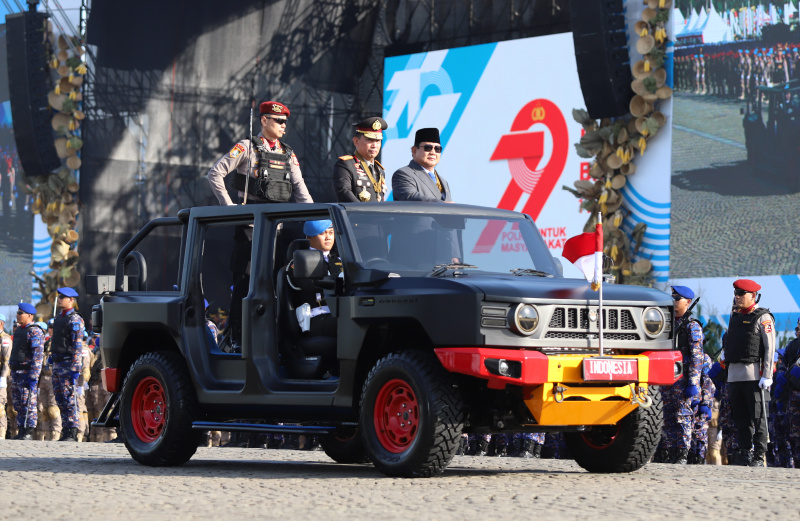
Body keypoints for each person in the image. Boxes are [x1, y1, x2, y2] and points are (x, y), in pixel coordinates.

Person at [207, 100, 313, 206]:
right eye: (279, 121)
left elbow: (299, 185)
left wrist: (313, 214)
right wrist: (227, 205)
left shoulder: (287, 153)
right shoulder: (247, 147)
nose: (283, 125)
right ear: (264, 121)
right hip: (250, 219)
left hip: (277, 220)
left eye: (285, 122)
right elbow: (215, 173)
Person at [723, 279, 776, 466]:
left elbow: (770, 348)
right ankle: (745, 452)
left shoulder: (763, 317)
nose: (737, 297)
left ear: (753, 296)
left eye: (741, 294)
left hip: (754, 375)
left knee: (758, 417)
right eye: (736, 294)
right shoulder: (735, 316)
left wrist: (767, 375)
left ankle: (759, 455)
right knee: (740, 418)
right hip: (735, 376)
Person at [657, 285, 703, 464]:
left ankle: (682, 453)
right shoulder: (666, 324)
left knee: (682, 416)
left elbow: (697, 357)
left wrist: (693, 382)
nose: (674, 302)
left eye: (678, 299)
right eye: (673, 298)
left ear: (688, 302)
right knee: (666, 416)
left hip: (682, 380)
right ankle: (669, 451)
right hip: (665, 378)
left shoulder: (692, 326)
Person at [285, 219, 342, 339]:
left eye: (331, 233)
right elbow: (308, 286)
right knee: (349, 324)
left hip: (340, 312)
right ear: (309, 237)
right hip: (316, 316)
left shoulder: (339, 261)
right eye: (322, 233)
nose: (328, 238)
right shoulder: (298, 262)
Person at [50, 287, 86, 442]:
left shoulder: (75, 319)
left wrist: (75, 369)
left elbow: (77, 346)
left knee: (70, 399)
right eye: (59, 296)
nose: (59, 299)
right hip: (57, 363)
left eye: (63, 297)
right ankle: (66, 429)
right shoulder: (58, 318)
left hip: (67, 364)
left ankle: (72, 431)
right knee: (60, 398)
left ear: (71, 300)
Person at [8, 303, 45, 440]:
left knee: (28, 402)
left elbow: (38, 356)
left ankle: (28, 430)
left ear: (29, 315)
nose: (17, 315)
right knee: (18, 403)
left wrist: (34, 376)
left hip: (27, 373)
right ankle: (21, 429)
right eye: (17, 313)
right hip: (17, 373)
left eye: (20, 313)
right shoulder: (18, 331)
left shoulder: (35, 331)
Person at [332, 117, 389, 202]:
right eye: (370, 140)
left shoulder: (380, 170)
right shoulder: (345, 165)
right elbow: (344, 193)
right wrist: (363, 213)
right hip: (356, 214)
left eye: (378, 141)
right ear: (356, 141)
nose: (374, 145)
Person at [391, 127, 453, 203]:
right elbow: (410, 197)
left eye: (437, 149)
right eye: (428, 148)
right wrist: (442, 204)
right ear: (414, 151)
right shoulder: (403, 174)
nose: (433, 152)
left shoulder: (443, 182)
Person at [0, 313, 12, 438]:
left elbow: (6, 361)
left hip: (0, 377)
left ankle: (1, 433)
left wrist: (3, 377)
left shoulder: (5, 340)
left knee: (0, 407)